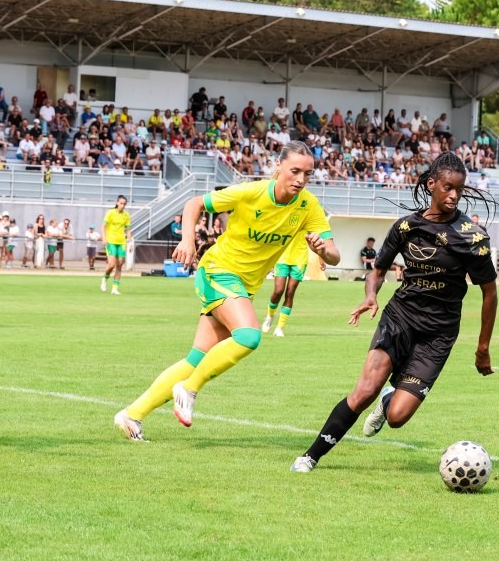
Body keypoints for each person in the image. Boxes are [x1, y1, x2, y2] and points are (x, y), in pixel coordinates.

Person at [114, 141, 339, 442]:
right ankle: (188, 390)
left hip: (243, 287)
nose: (300, 179)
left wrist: (323, 250)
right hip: (217, 271)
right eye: (295, 171)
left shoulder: (307, 205)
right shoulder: (251, 192)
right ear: (278, 167)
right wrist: (188, 240)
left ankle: (132, 414)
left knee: (194, 361)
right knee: (249, 336)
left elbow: (335, 255)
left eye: (307, 174)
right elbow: (194, 203)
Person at [290, 151, 498, 473]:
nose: (454, 195)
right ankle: (309, 457)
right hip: (400, 318)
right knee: (364, 392)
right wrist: (371, 295)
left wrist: (483, 347)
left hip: (438, 334)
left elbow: (490, 294)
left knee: (398, 417)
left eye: (459, 189)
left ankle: (389, 398)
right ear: (431, 185)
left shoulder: (473, 238)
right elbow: (378, 270)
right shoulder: (405, 227)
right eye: (447, 188)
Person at [261, 230, 323, 337]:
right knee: (278, 291)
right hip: (282, 258)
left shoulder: (306, 221)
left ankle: (279, 328)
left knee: (290, 293)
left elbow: (317, 238)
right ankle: (270, 316)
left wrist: (321, 258)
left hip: (299, 259)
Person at [100, 196, 132, 295]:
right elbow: (103, 226)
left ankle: (115, 288)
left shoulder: (126, 215)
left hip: (121, 242)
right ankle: (105, 278)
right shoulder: (110, 213)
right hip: (111, 242)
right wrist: (104, 238)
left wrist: (130, 242)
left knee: (120, 265)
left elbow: (128, 229)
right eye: (121, 203)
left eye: (124, 204)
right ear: (117, 203)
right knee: (111, 265)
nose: (123, 205)